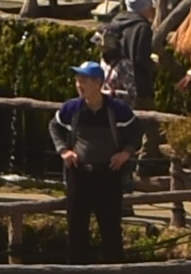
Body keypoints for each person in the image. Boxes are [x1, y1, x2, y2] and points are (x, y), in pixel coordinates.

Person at [51, 63, 141, 262]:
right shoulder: (71, 108)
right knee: (76, 227)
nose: (79, 85)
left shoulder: (116, 109)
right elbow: (54, 126)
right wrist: (63, 150)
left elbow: (137, 130)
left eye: (83, 81)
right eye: (77, 81)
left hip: (108, 174)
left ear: (98, 83)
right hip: (79, 173)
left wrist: (126, 153)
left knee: (110, 228)